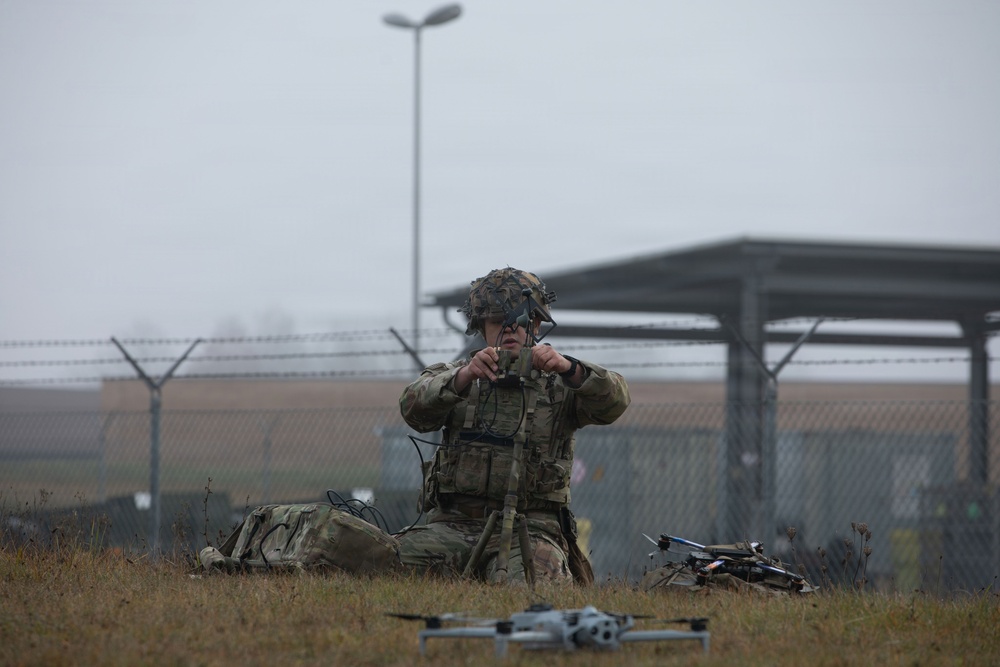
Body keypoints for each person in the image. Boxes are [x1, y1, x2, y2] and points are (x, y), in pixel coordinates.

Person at [396, 267, 630, 586]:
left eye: (519, 320)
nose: (509, 329)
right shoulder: (457, 377)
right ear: (482, 327)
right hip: (452, 527)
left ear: (535, 324)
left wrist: (569, 368)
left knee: (533, 589)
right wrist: (463, 378)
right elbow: (413, 409)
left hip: (531, 531)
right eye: (497, 320)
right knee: (384, 564)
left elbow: (614, 403)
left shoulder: (561, 384)